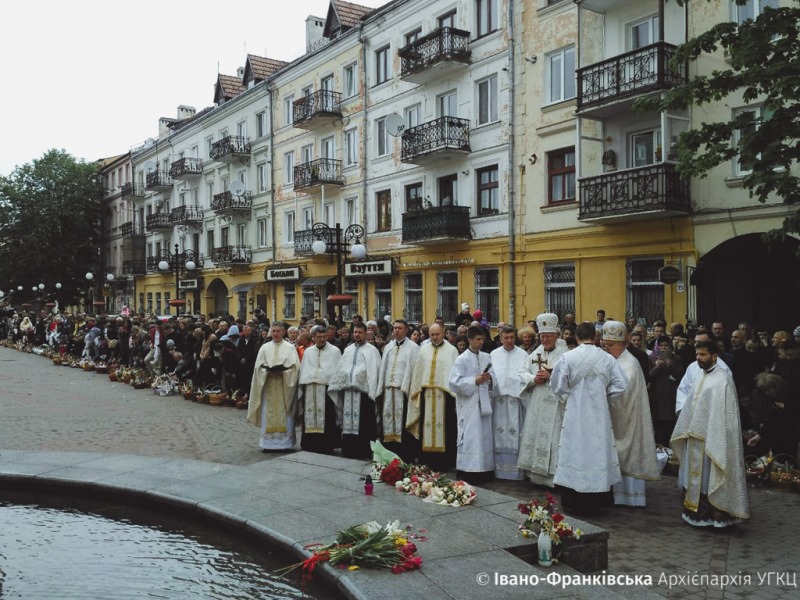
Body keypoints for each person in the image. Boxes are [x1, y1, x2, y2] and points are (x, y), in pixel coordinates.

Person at [551, 321, 628, 515]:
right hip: (599, 415)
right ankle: (596, 500)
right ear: (595, 337)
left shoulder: (567, 357)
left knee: (575, 449)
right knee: (597, 451)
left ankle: (573, 501)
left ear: (576, 337)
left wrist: (568, 395)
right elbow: (621, 385)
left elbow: (557, 386)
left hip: (575, 413)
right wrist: (605, 395)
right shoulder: (607, 358)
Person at [671, 341, 749, 528]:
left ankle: (716, 517)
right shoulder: (700, 376)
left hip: (713, 438)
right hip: (695, 437)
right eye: (697, 354)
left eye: (703, 355)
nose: (698, 358)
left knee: (709, 477)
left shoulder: (723, 379)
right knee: (698, 478)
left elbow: (725, 415)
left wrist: (714, 434)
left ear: (714, 356)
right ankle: (696, 515)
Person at [602, 321, 661, 507]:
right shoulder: (613, 360)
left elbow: (623, 391)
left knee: (627, 453)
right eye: (604, 345)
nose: (606, 349)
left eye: (609, 345)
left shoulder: (630, 364)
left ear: (621, 344)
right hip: (615, 417)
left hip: (628, 418)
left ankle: (630, 497)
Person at [516, 313, 569, 487]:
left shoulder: (566, 355)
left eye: (548, 336)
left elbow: (571, 378)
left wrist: (551, 375)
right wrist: (533, 379)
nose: (544, 339)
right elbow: (521, 373)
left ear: (556, 335)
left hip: (557, 407)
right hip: (538, 406)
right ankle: (536, 476)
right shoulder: (534, 355)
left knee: (555, 440)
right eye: (542, 336)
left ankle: (555, 479)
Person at [406, 323, 459, 471]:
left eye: (437, 334)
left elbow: (453, 373)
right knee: (426, 427)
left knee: (446, 427)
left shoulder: (451, 351)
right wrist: (417, 390)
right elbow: (418, 372)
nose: (435, 337)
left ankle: (445, 461)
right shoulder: (423, 350)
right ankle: (426, 459)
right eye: (432, 335)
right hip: (426, 394)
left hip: (445, 395)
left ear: (443, 333)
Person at [448, 325, 495, 483]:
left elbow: (494, 378)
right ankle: (468, 470)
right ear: (469, 340)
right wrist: (474, 380)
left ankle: (485, 469)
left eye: (483, 339)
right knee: (470, 436)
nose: (481, 342)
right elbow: (453, 383)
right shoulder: (461, 359)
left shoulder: (487, 357)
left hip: (484, 402)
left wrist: (489, 379)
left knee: (485, 436)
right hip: (468, 404)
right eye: (478, 339)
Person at [328, 322, 382, 459]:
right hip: (348, 392)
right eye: (355, 332)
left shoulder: (372, 351)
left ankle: (364, 450)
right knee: (348, 422)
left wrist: (360, 379)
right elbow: (342, 368)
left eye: (360, 332)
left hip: (364, 394)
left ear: (365, 333)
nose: (357, 335)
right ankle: (348, 450)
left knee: (364, 423)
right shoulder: (348, 349)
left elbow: (374, 372)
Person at [247, 322, 301, 451]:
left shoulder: (290, 348)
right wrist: (266, 371)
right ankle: (268, 444)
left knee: (285, 414)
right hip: (269, 386)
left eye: (278, 331)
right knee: (268, 413)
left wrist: (284, 372)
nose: (275, 334)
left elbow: (295, 369)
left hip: (284, 388)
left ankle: (285, 444)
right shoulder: (264, 348)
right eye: (274, 331)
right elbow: (257, 368)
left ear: (283, 332)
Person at [376, 319, 419, 462]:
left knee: (402, 424)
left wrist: (407, 387)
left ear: (406, 330)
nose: (396, 330)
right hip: (388, 390)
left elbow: (413, 370)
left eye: (399, 328)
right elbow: (383, 368)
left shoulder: (413, 348)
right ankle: (388, 453)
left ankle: (404, 455)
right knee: (387, 421)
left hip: (403, 391)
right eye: (394, 328)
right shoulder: (388, 347)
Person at [489, 325, 528, 480]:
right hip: (498, 401)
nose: (509, 340)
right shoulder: (493, 354)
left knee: (515, 432)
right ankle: (498, 470)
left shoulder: (523, 354)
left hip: (515, 400)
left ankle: (516, 471)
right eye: (506, 337)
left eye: (512, 337)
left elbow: (525, 375)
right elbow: (491, 375)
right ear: (501, 338)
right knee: (497, 432)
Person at [296, 325, 342, 454]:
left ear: (327, 336)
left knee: (327, 417)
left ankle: (327, 445)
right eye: (319, 337)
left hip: (326, 389)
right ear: (314, 337)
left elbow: (337, 371)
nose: (322, 339)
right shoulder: (309, 351)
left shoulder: (335, 351)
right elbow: (304, 369)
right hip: (310, 388)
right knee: (309, 415)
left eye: (324, 337)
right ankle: (309, 444)